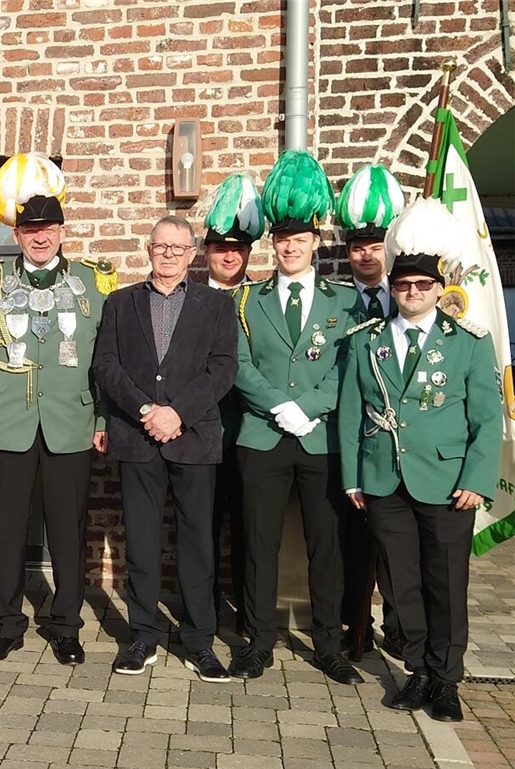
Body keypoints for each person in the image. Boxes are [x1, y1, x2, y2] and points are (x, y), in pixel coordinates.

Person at [339, 198, 502, 722]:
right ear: (392, 287)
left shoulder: (469, 343)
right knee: (399, 584)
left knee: (447, 584)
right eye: (403, 285)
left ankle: (446, 679)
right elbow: (349, 414)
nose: (411, 293)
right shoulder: (368, 342)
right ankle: (417, 671)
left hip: (450, 481)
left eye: (422, 286)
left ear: (438, 289)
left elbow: (486, 418)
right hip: (384, 481)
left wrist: (478, 478)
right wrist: (352, 479)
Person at [0, 153, 112, 665]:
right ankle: (4, 622)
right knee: (4, 527)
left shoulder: (92, 283)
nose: (40, 237)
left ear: (63, 230)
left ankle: (65, 624)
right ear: (16, 235)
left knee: (68, 530)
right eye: (30, 230)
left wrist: (104, 419)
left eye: (48, 228)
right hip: (4, 424)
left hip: (70, 424)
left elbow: (107, 358)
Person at [230, 150, 363, 686]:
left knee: (325, 547)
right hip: (261, 435)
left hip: (319, 437)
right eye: (282, 240)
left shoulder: (348, 301)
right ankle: (258, 641)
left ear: (314, 243)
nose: (290, 247)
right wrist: (276, 405)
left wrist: (306, 408)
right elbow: (237, 362)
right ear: (273, 244)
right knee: (257, 545)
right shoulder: (246, 299)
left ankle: (329, 644)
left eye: (300, 239)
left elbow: (351, 365)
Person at [93, 215, 237, 681]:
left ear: (192, 254)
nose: (169, 253)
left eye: (178, 247)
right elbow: (107, 366)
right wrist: (145, 410)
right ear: (148, 249)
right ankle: (142, 636)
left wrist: (177, 412)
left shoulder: (215, 306)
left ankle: (199, 641)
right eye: (161, 246)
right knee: (141, 539)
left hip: (193, 438)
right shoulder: (120, 303)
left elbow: (223, 368)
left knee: (197, 544)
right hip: (137, 438)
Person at [334, 165, 406, 660]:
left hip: (403, 439)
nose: (366, 254)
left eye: (375, 246)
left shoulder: (410, 301)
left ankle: (401, 627)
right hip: (353, 437)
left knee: (402, 547)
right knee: (355, 541)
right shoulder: (336, 302)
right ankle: (352, 623)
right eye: (358, 247)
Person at [198, 173, 262, 635]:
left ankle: (244, 612)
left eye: (237, 249)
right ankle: (201, 611)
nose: (228, 255)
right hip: (201, 432)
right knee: (200, 528)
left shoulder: (259, 300)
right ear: (206, 252)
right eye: (220, 248)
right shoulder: (191, 299)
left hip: (249, 432)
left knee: (246, 528)